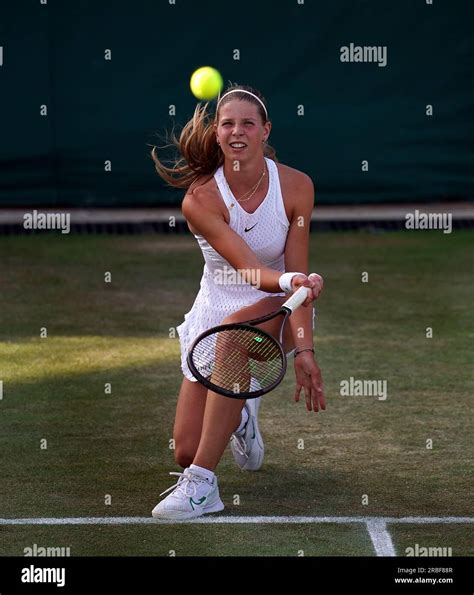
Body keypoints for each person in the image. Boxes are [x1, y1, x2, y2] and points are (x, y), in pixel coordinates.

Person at [150, 84, 325, 520]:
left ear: (266, 130)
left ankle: (203, 488)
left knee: (231, 341)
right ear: (217, 134)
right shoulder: (201, 199)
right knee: (185, 450)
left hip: (278, 307)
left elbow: (295, 280)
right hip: (217, 306)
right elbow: (248, 268)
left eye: (248, 123)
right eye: (227, 123)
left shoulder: (297, 186)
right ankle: (241, 415)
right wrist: (290, 277)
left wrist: (304, 348)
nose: (237, 131)